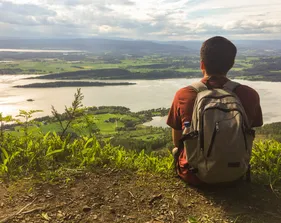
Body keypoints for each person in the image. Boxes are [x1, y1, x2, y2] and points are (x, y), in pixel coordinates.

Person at [166, 36, 263, 185]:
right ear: (231, 64)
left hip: (194, 175)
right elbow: (250, 132)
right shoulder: (249, 94)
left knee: (176, 150)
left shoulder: (184, 94)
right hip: (236, 173)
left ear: (202, 64)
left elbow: (177, 141)